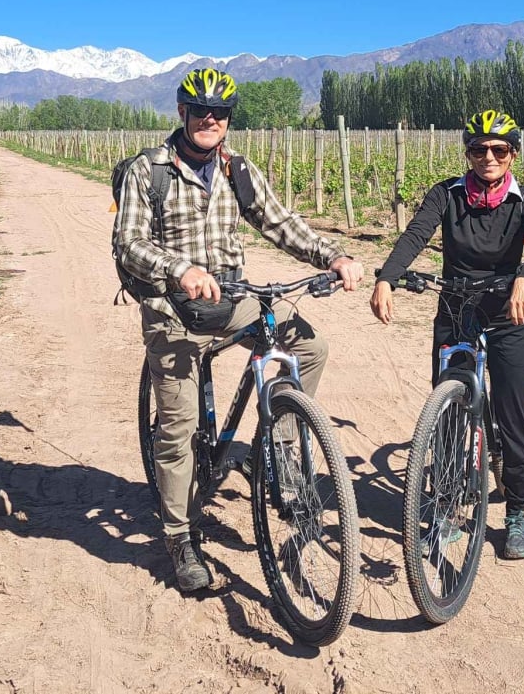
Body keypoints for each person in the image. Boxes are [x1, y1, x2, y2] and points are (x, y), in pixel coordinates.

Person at [114, 67, 363, 593]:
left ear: (228, 120)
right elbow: (128, 244)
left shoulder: (236, 170)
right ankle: (180, 536)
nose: (211, 119)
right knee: (178, 428)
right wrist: (179, 269)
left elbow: (280, 222)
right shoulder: (147, 171)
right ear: (182, 114)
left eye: (220, 113)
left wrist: (333, 256)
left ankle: (280, 441)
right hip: (172, 309)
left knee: (308, 344)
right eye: (200, 110)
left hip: (230, 301)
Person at [369, 110, 524, 559]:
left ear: (512, 154)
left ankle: (515, 513)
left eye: (499, 149)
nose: (488, 157)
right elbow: (415, 235)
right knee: (450, 414)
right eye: (478, 149)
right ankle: (449, 507)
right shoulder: (446, 195)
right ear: (468, 153)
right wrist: (387, 278)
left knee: (513, 416)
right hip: (456, 308)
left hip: (509, 312)